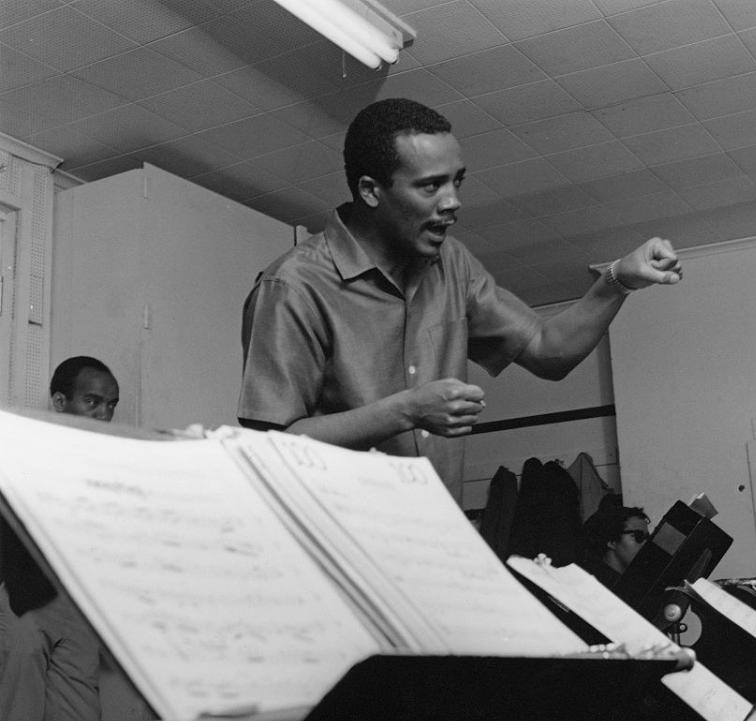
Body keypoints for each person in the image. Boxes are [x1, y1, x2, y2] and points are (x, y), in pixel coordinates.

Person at [238, 98, 682, 502]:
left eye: (457, 181)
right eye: (430, 186)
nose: (453, 202)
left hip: (438, 536)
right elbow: (271, 447)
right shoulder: (294, 286)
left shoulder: (452, 263)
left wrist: (617, 280)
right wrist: (407, 409)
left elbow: (549, 352)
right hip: (339, 549)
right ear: (371, 190)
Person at [0, 356, 119, 721]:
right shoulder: (21, 447)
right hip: (23, 606)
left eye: (111, 404)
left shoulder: (112, 465)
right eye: (93, 401)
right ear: (59, 401)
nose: (104, 413)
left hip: (79, 614)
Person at [580, 498, 651, 589]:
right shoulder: (594, 585)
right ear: (612, 541)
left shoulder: (633, 583)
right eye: (638, 536)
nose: (645, 544)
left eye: (648, 538)